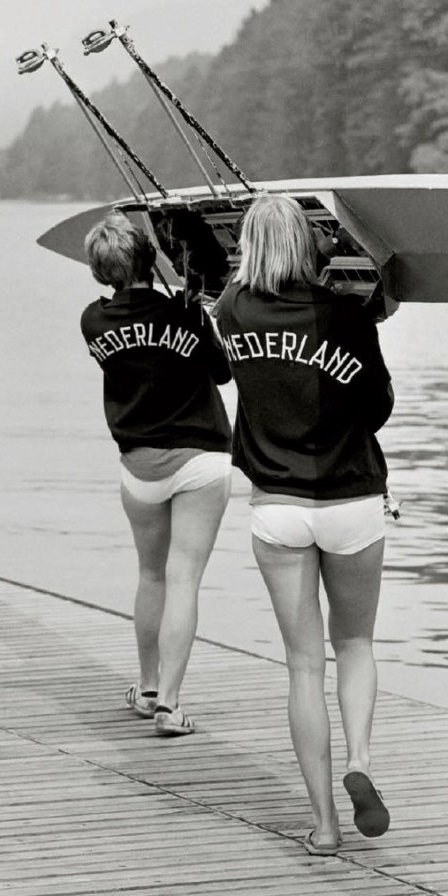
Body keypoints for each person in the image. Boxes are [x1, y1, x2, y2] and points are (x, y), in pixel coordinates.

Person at [215, 194, 394, 855]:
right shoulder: (345, 315)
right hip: (349, 501)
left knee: (301, 666)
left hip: (278, 506)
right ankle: (360, 761)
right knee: (355, 644)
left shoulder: (231, 312)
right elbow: (377, 409)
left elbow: (224, 290)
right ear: (308, 245)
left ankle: (323, 825)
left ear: (248, 247)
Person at [81, 211, 232, 736]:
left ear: (101, 271)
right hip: (200, 458)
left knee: (151, 575)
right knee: (183, 579)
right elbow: (222, 372)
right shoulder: (185, 313)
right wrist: (198, 313)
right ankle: (170, 703)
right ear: (150, 259)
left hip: (140, 465)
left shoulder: (93, 321)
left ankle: (147, 688)